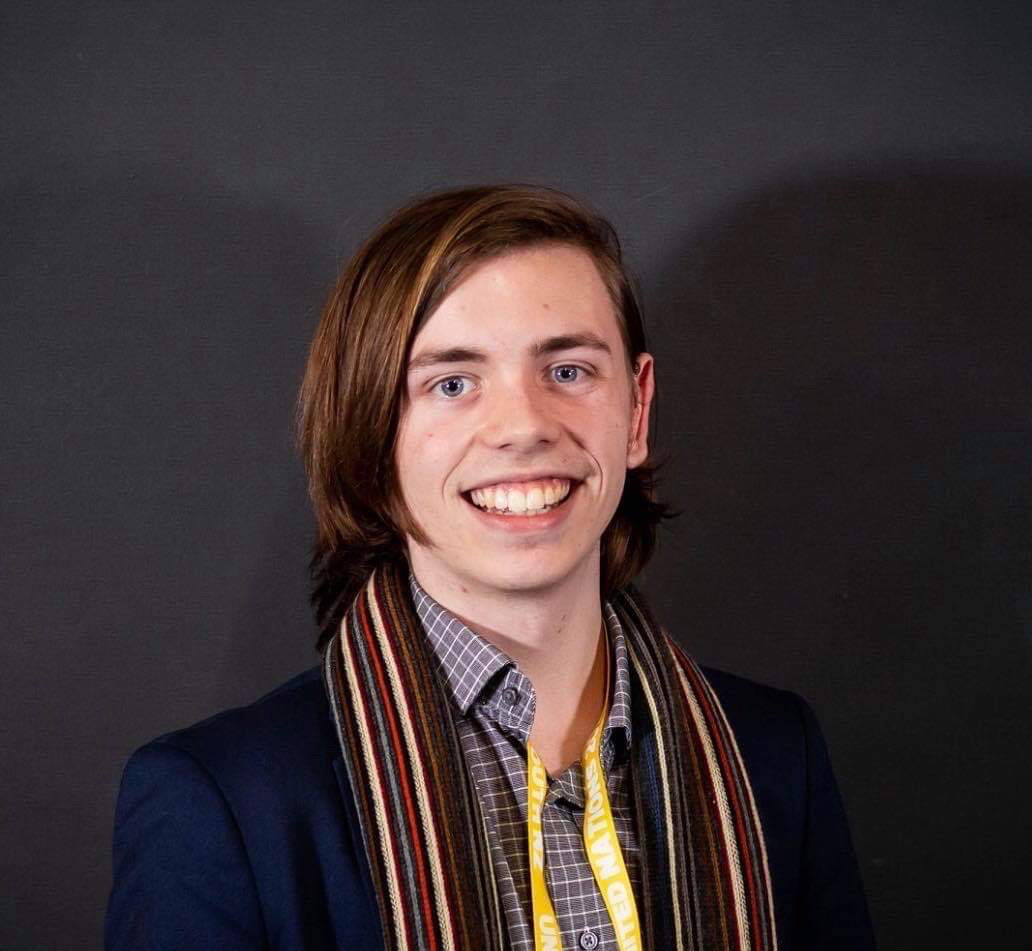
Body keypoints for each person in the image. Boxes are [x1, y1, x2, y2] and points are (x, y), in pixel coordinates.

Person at [106, 184, 875, 950]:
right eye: (452, 383)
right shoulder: (224, 805)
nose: (523, 426)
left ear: (636, 411)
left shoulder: (772, 755)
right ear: (371, 433)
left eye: (568, 370)